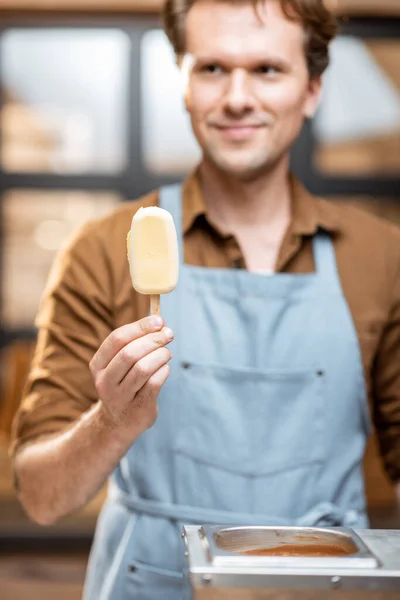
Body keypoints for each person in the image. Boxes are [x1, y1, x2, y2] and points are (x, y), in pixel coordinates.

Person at [10, 0, 400, 598]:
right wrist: (111, 422)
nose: (237, 97)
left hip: (325, 584)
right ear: (183, 81)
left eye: (267, 70)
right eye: (212, 68)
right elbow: (40, 497)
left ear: (313, 88)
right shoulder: (103, 250)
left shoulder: (381, 258)